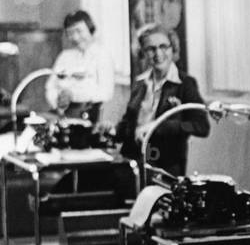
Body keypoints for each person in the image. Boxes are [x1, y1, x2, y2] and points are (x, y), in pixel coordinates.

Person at [114, 23, 210, 178]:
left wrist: (158, 126)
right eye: (151, 49)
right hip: (134, 162)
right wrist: (112, 130)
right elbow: (128, 124)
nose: (158, 54)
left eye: (163, 47)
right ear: (143, 53)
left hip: (166, 166)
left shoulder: (185, 84)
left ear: (173, 49)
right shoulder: (140, 83)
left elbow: (202, 126)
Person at [45, 10, 114, 122]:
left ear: (90, 29)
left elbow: (105, 93)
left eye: (79, 31)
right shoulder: (64, 56)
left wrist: (73, 95)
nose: (75, 37)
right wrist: (57, 101)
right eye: (70, 33)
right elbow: (50, 86)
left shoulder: (102, 56)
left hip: (88, 116)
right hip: (61, 114)